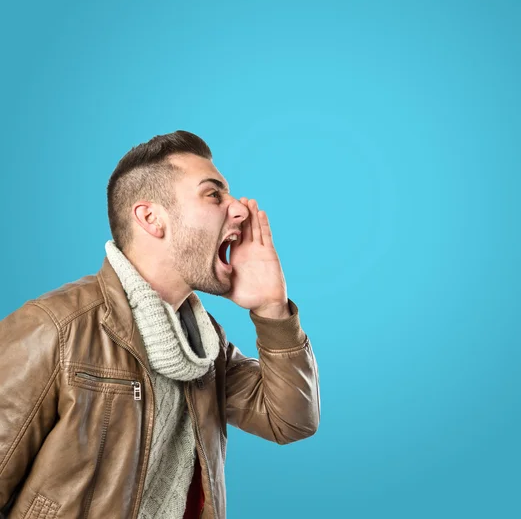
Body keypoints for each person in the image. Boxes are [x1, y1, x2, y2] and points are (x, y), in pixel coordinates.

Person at [0, 131, 320, 519]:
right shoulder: (57, 328)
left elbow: (289, 421)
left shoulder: (204, 345)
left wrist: (272, 308)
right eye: (213, 194)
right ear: (152, 218)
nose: (239, 210)